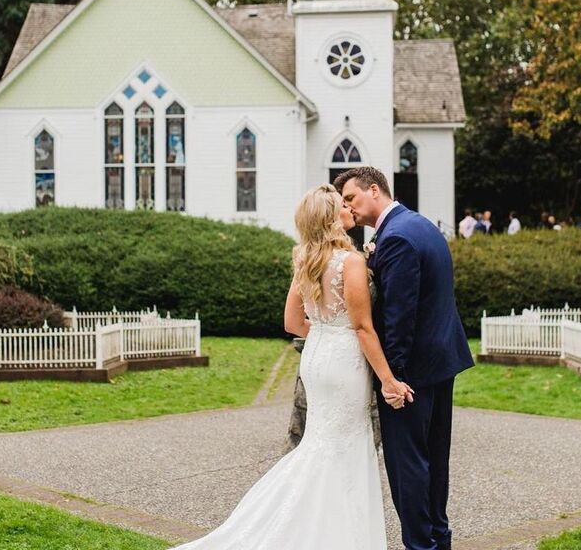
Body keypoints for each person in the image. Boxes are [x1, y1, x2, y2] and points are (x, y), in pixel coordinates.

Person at [170, 185, 406, 550]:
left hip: (316, 358)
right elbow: (362, 327)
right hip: (344, 363)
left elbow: (293, 323)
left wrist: (326, 331)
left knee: (320, 442)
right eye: (340, 205)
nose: (347, 208)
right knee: (345, 443)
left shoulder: (306, 261)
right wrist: (388, 380)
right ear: (331, 218)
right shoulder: (351, 262)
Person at [335, 167, 474, 550]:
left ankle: (421, 545)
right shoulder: (420, 225)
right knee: (434, 461)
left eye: (351, 198)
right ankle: (438, 539)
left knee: (408, 466)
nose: (347, 206)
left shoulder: (394, 239)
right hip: (441, 361)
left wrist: (390, 379)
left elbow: (399, 318)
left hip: (410, 372)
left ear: (374, 189)